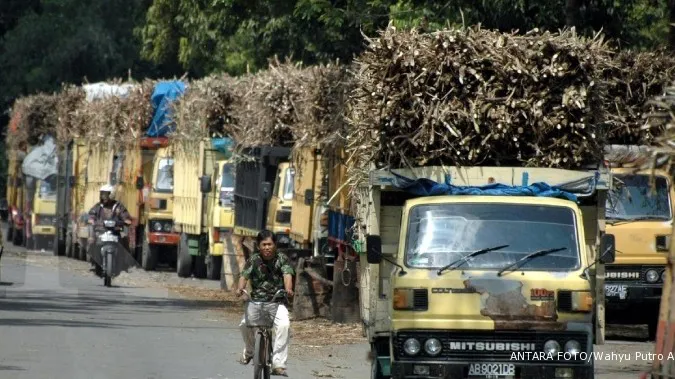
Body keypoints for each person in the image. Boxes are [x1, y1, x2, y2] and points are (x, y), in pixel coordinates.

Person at [236, 230, 295, 377]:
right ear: (258, 246)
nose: (267, 247)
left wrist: (288, 289)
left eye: (270, 244)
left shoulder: (282, 259)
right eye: (264, 244)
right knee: (244, 325)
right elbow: (244, 276)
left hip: (276, 301)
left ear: (275, 245)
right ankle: (250, 351)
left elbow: (287, 274)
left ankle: (278, 364)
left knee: (284, 325)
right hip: (256, 302)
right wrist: (240, 288)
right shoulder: (253, 260)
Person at [87, 184, 132, 275]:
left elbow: (125, 215)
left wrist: (126, 220)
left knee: (125, 241)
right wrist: (91, 219)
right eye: (102, 194)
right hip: (100, 231)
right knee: (92, 242)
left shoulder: (118, 206)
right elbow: (92, 214)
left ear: (111, 194)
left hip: (115, 231)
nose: (103, 196)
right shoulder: (99, 206)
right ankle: (94, 262)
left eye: (106, 194)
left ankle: (125, 264)